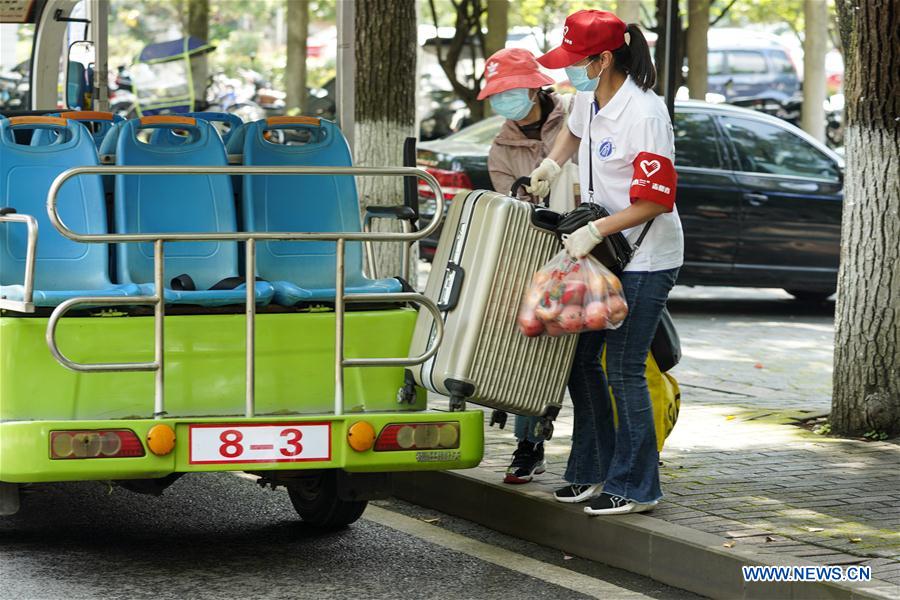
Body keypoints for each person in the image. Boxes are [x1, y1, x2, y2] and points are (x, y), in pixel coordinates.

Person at [527, 9, 684, 515]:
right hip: (603, 252)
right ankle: (590, 471)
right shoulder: (588, 100)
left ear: (605, 58)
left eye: (578, 60)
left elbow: (656, 201)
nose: (570, 69)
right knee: (579, 362)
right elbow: (572, 134)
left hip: (645, 255)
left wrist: (594, 229)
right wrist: (550, 165)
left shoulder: (645, 114)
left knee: (622, 368)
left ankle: (638, 486)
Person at [476, 47, 573, 484]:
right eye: (497, 94)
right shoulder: (501, 148)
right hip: (535, 254)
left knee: (597, 362)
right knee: (534, 349)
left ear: (535, 86)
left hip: (593, 244)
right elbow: (508, 208)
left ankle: (609, 448)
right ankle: (529, 445)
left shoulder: (574, 113)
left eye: (509, 90)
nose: (503, 101)